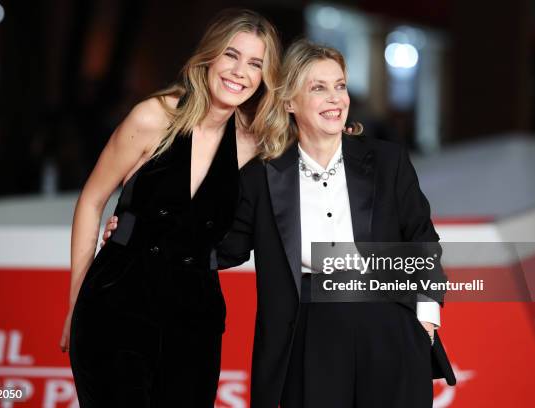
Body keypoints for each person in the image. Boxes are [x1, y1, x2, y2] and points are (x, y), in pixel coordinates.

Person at [102, 40, 455, 407]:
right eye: (318, 88)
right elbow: (221, 246)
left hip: (390, 328)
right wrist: (139, 231)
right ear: (289, 103)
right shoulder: (262, 176)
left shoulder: (387, 160)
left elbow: (421, 238)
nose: (335, 98)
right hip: (307, 336)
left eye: (340, 86)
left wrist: (425, 322)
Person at [60, 9, 281, 407]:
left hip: (195, 321)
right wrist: (75, 301)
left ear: (265, 76)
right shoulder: (154, 116)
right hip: (116, 306)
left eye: (255, 64)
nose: (240, 72)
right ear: (209, 56)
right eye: (231, 55)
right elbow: (92, 200)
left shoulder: (255, 141)